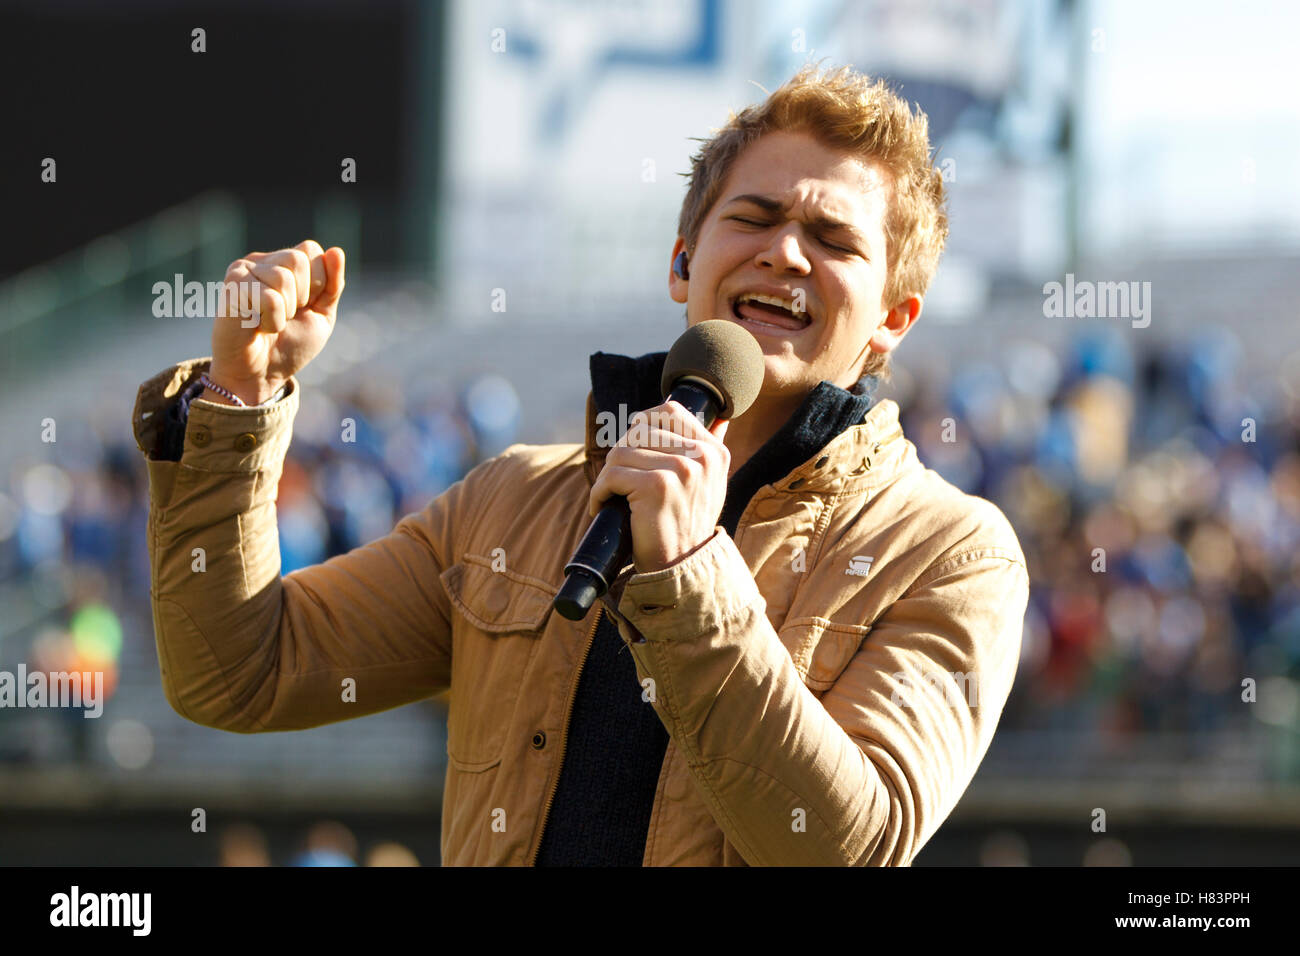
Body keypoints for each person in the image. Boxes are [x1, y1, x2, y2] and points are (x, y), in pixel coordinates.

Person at [130, 64, 1029, 866]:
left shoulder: (951, 554)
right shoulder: (513, 498)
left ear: (893, 319)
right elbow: (238, 674)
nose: (784, 250)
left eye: (834, 241)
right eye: (752, 217)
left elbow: (843, 848)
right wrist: (239, 399)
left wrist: (685, 574)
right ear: (683, 262)